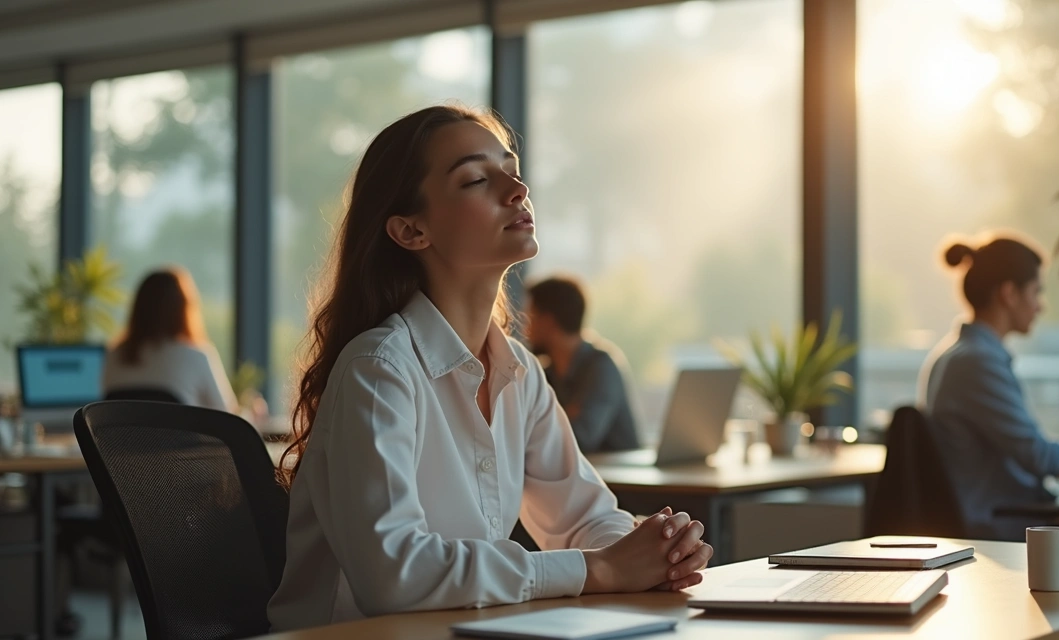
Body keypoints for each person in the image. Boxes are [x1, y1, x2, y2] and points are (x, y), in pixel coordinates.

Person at [267, 105, 712, 630]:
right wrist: (601, 569)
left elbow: (584, 518)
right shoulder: (378, 369)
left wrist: (650, 555)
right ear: (412, 231)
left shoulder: (518, 369)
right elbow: (394, 576)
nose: (517, 188)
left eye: (511, 166)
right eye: (477, 178)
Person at [919, 235, 1059, 541]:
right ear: (1008, 293)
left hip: (1003, 510)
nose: (1040, 306)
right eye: (1036, 291)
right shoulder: (977, 363)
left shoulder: (958, 354)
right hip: (1002, 521)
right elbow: (1037, 456)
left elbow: (1034, 447)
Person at [525, 276, 640, 453]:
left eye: (531, 317)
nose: (526, 329)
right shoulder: (546, 373)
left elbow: (581, 438)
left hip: (614, 478)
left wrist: (545, 423)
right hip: (573, 475)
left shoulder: (602, 367)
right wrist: (565, 418)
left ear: (548, 321)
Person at [102, 268, 237, 412]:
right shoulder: (196, 357)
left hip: (123, 435)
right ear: (185, 309)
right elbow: (227, 415)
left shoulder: (113, 356)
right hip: (183, 435)